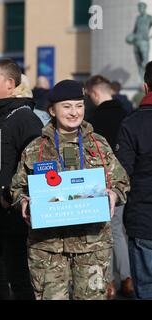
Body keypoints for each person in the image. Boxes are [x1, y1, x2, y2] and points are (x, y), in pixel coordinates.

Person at [11, 79, 130, 300]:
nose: (74, 112)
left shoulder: (99, 145)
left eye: (79, 105)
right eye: (67, 106)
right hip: (48, 247)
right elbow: (17, 188)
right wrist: (23, 201)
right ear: (52, 111)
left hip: (92, 244)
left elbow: (121, 181)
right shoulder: (36, 149)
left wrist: (114, 194)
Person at [0, 59, 42, 300]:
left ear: (11, 84)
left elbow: (37, 168)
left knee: (19, 281)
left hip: (14, 218)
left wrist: (9, 196)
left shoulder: (25, 119)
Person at [86, 75, 134, 299]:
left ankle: (109, 282)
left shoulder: (95, 119)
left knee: (104, 231)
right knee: (118, 229)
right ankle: (126, 277)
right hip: (124, 180)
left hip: (99, 182)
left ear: (95, 93)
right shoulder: (127, 114)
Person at [116, 61, 152, 300]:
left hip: (144, 219)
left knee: (146, 288)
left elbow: (122, 173)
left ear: (145, 87)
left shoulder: (132, 123)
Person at [126, 2, 152, 82]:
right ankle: (141, 81)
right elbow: (135, 30)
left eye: (140, 8)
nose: (139, 10)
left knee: (145, 63)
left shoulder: (149, 18)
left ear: (144, 8)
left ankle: (148, 80)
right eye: (138, 8)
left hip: (144, 42)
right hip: (136, 42)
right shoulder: (138, 18)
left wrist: (149, 36)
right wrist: (130, 37)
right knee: (139, 64)